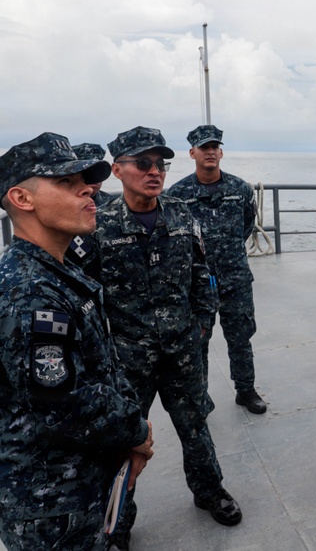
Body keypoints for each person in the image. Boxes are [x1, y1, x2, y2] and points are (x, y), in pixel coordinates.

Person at [0, 132, 154, 551]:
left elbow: (97, 367)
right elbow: (64, 404)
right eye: (67, 183)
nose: (87, 189)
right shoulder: (27, 295)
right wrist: (136, 430)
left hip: (83, 482)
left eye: (85, 181)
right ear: (22, 198)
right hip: (51, 504)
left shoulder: (60, 270)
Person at [94, 126, 242, 549]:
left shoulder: (181, 213)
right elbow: (87, 297)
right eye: (143, 163)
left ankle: (210, 491)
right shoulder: (98, 225)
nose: (154, 171)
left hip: (182, 349)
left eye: (160, 163)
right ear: (118, 170)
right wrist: (105, 353)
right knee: (124, 440)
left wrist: (200, 325)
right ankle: (118, 519)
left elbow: (201, 275)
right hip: (127, 359)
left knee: (195, 427)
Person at [166, 124, 267, 415]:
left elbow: (248, 225)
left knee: (241, 337)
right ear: (192, 152)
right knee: (199, 342)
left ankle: (246, 390)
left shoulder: (239, 189)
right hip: (197, 283)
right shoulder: (178, 194)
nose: (210, 152)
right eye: (203, 147)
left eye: (214, 147)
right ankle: (201, 398)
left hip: (235, 278)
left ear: (220, 152)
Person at [66, 142, 113, 274]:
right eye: (87, 172)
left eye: (98, 172)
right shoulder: (60, 208)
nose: (94, 178)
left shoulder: (113, 205)